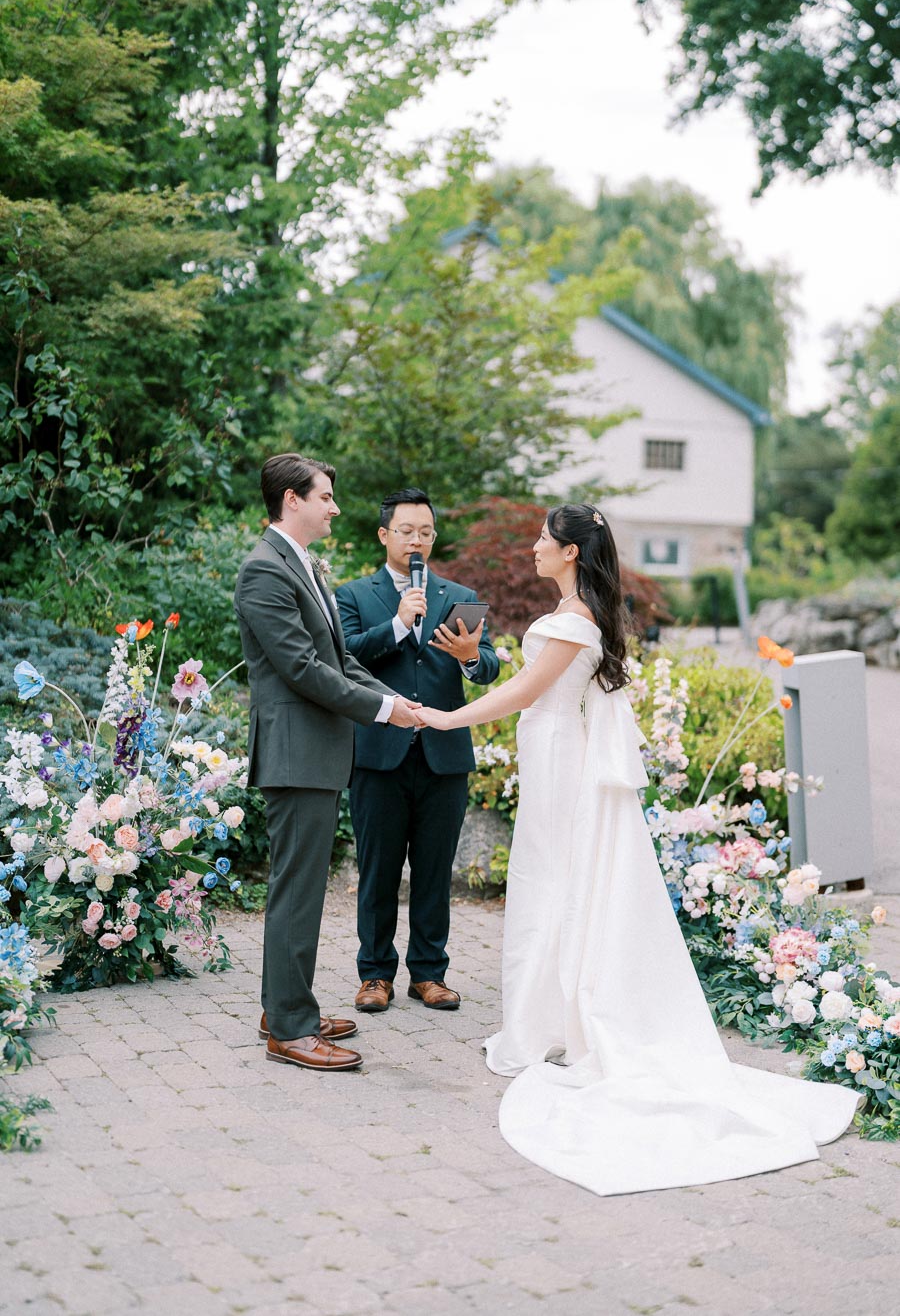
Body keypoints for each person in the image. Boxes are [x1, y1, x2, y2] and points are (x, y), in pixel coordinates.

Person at [416, 504, 860, 1195]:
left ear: (569, 552)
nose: (533, 546)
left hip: (560, 752)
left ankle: (551, 1020)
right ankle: (546, 1016)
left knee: (554, 879)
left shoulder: (572, 621)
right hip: (555, 747)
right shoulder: (581, 612)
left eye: (542, 538)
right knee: (548, 878)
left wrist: (447, 717)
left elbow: (526, 691)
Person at [234, 454, 422, 1072]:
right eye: (325, 497)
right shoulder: (265, 570)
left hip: (315, 753)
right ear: (292, 500)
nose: (335, 507)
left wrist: (396, 700)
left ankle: (288, 1008)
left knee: (305, 889)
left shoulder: (304, 564)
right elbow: (302, 670)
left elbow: (339, 661)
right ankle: (290, 1030)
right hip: (295, 754)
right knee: (296, 891)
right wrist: (381, 712)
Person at [335, 489, 499, 1014]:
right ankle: (375, 974)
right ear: (384, 535)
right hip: (378, 753)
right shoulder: (354, 595)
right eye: (407, 531)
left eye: (426, 532)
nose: (417, 541)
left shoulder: (459, 594)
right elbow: (344, 656)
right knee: (377, 869)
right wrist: (400, 625)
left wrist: (473, 659)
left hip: (443, 754)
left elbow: (489, 667)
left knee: (434, 870)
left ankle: (429, 974)